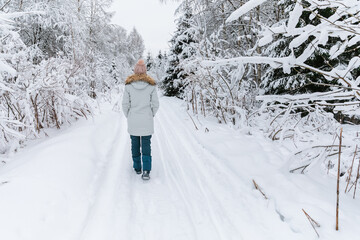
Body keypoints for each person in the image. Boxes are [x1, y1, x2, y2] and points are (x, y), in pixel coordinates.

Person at [122, 59, 159, 180]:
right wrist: (150, 114)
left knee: (135, 143)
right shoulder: (151, 86)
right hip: (146, 120)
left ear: (135, 70)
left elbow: (125, 104)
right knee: (146, 145)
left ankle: (137, 167)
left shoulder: (128, 86)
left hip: (133, 119)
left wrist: (129, 115)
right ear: (145, 71)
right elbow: (156, 104)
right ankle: (146, 170)